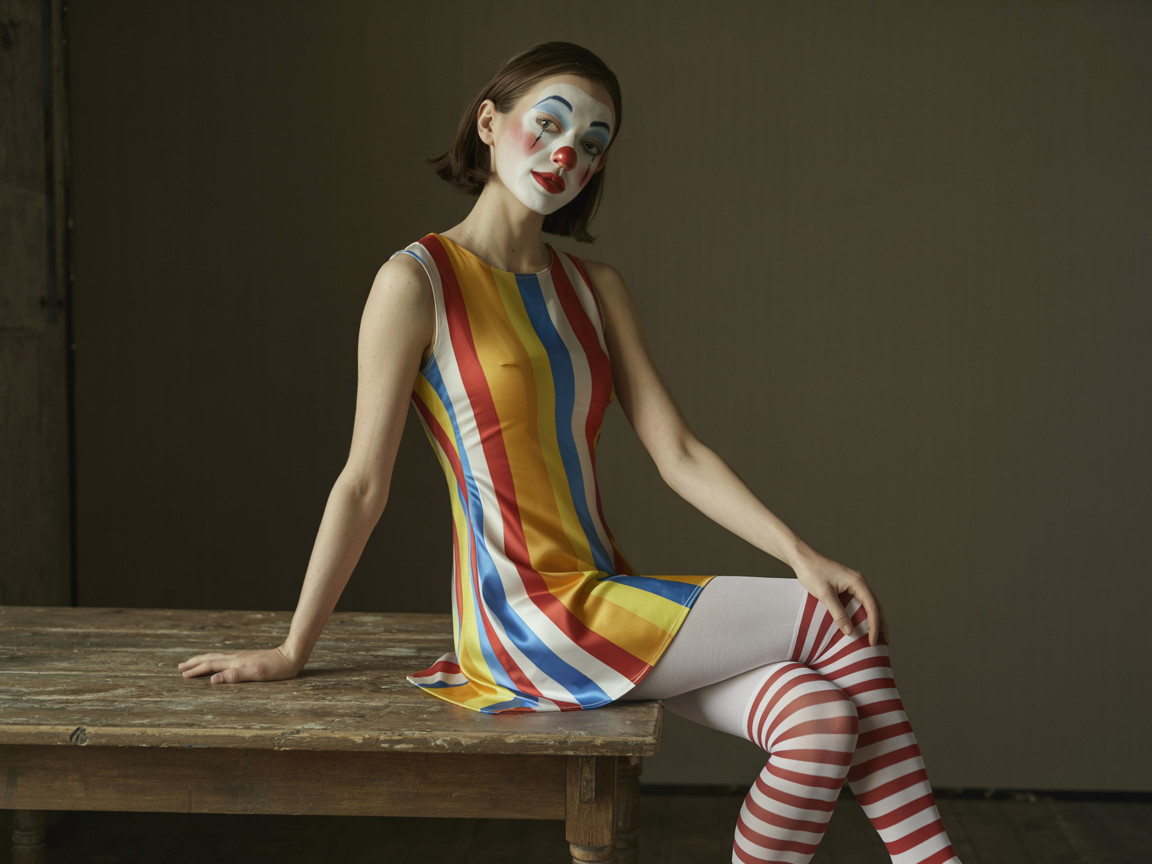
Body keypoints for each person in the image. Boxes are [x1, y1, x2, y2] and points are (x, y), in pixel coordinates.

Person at [179, 41, 962, 864]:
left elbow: (678, 453)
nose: (566, 154)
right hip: (524, 616)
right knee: (836, 622)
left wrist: (800, 553)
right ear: (489, 123)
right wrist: (293, 650)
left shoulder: (595, 290)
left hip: (604, 595)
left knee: (820, 722)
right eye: (548, 124)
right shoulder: (417, 282)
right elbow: (362, 485)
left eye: (592, 143)